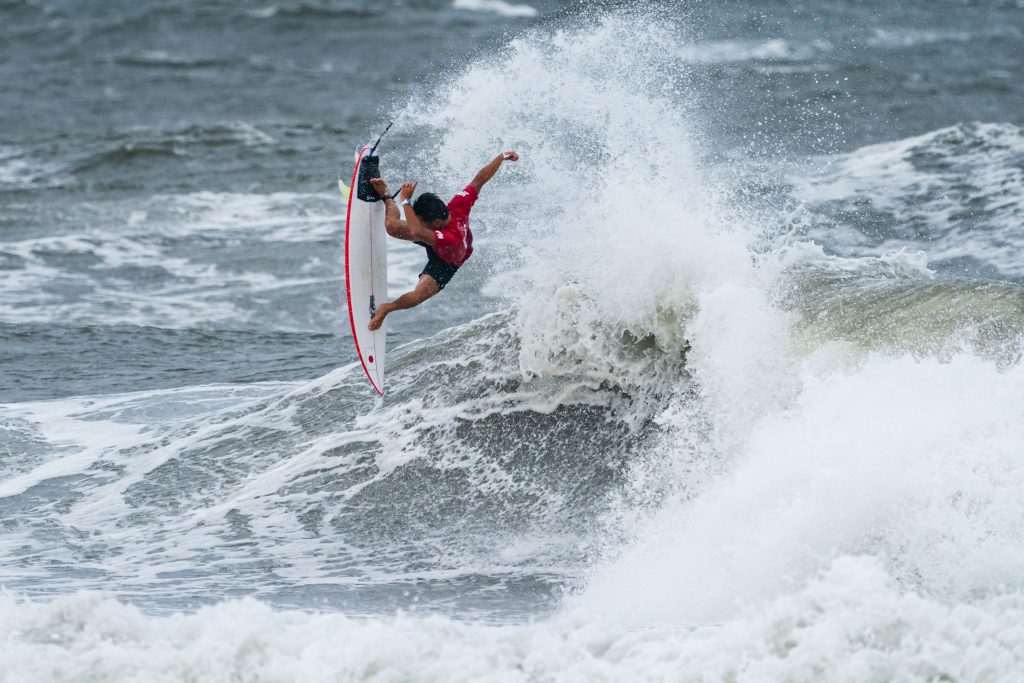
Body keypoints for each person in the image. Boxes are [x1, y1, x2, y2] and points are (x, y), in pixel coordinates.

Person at [366, 150, 520, 331]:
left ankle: (386, 309)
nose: (419, 222)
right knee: (392, 226)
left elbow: (417, 231)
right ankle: (385, 195)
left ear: (436, 222)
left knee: (418, 295)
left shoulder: (448, 237)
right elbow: (480, 179)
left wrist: (406, 201)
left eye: (422, 220)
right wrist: (502, 156)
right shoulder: (457, 205)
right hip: (439, 240)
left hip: (447, 262)